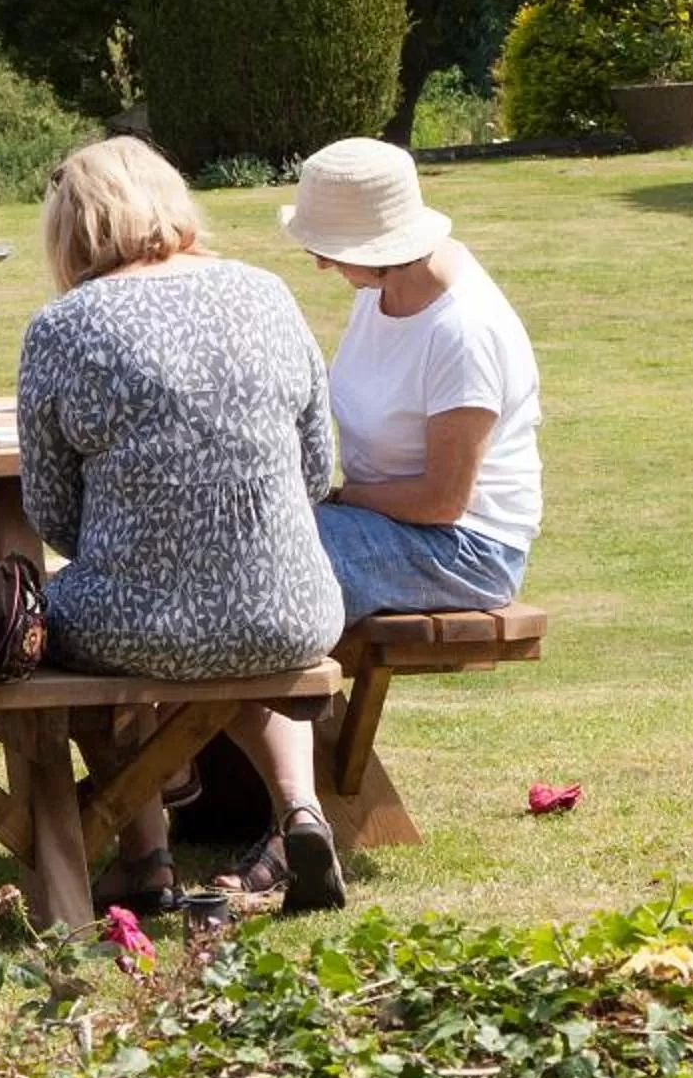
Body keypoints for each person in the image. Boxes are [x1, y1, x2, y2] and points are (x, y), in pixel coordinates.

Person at [13, 136, 348, 918]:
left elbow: (53, 513)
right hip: (291, 611)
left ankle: (145, 854)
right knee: (235, 616)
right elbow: (313, 470)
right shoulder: (267, 293)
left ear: (72, 227)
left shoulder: (64, 327)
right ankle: (300, 810)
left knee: (68, 621)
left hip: (141, 624)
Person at [209, 135, 544, 901]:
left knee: (259, 581)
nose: (320, 265)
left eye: (330, 250)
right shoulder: (382, 295)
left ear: (379, 246)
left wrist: (338, 499)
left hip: (461, 546)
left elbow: (443, 499)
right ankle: (228, 793)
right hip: (378, 521)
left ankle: (273, 814)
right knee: (230, 549)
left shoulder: (463, 332)